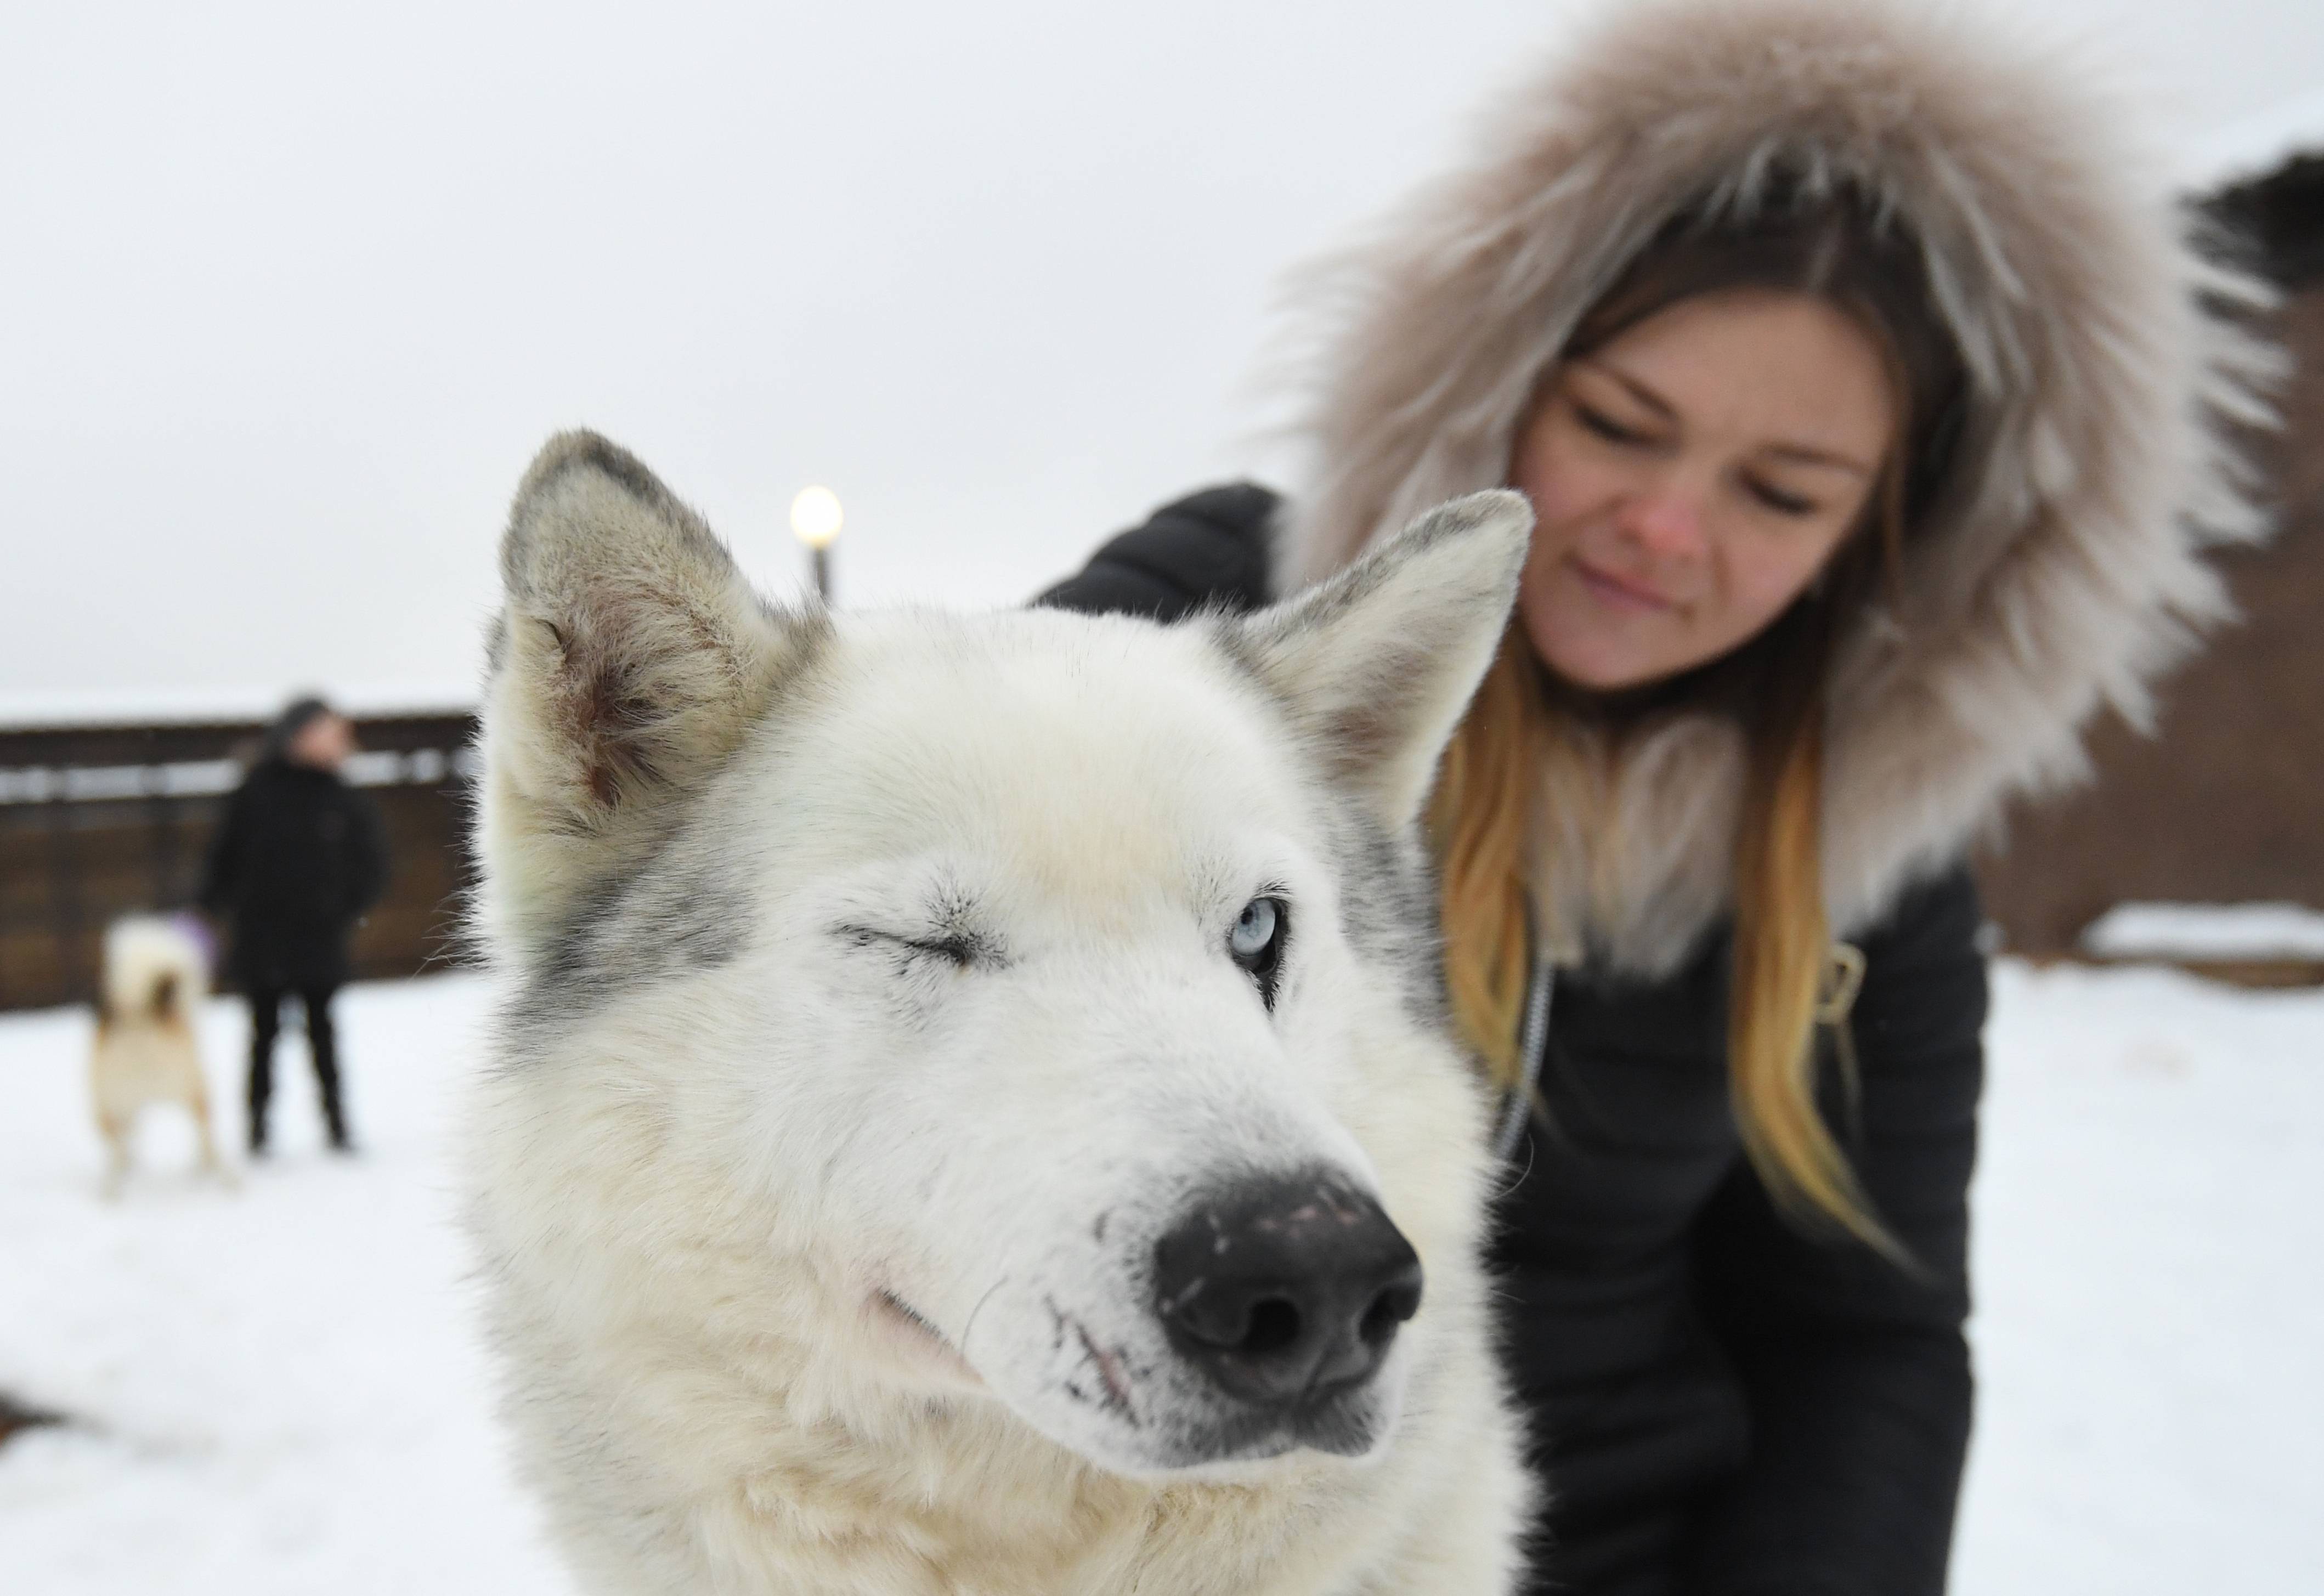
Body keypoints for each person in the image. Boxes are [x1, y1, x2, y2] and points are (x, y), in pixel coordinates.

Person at [1039, 2, 2272, 1591]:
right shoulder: (1214, 625)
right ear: (1499, 379)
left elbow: (1862, 1341)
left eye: (1779, 492)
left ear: (1879, 541)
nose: (1665, 530)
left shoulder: (1863, 857)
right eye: (1618, 426)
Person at [199, 696, 388, 1156]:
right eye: (331, 731)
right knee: (262, 1037)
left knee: (323, 1035)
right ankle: (258, 1132)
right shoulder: (255, 790)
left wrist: (342, 906)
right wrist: (206, 910)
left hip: (318, 939)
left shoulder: (341, 796)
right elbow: (222, 859)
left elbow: (372, 865)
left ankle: (338, 1128)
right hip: (261, 939)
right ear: (299, 734)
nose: (342, 742)